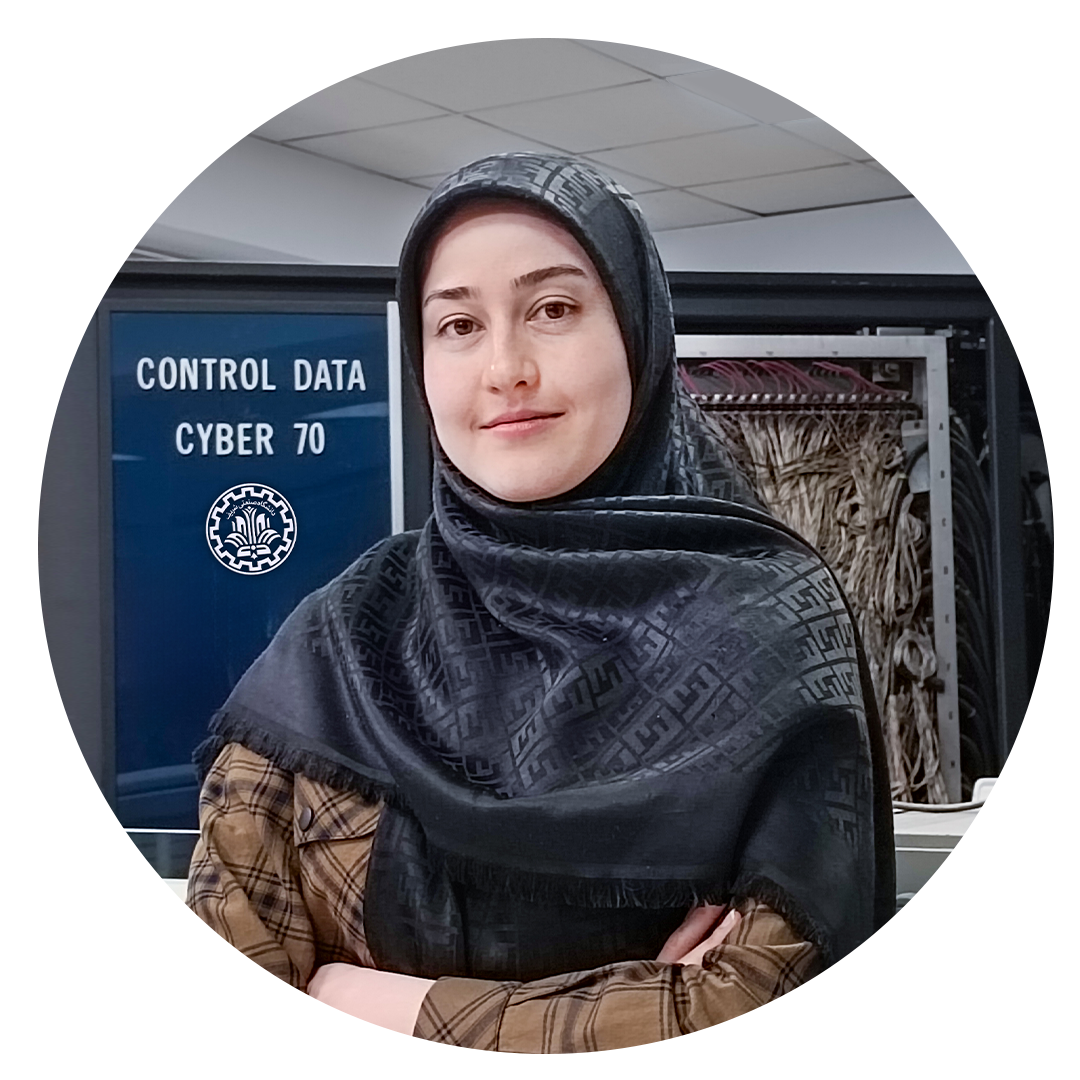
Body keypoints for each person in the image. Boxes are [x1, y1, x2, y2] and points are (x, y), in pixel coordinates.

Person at [149, 153, 896, 1054]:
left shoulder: (770, 625)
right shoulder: (341, 643)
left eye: (553, 310)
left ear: (638, 331)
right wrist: (621, 1021)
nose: (505, 368)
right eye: (458, 325)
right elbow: (210, 1022)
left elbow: (743, 1032)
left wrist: (390, 1012)